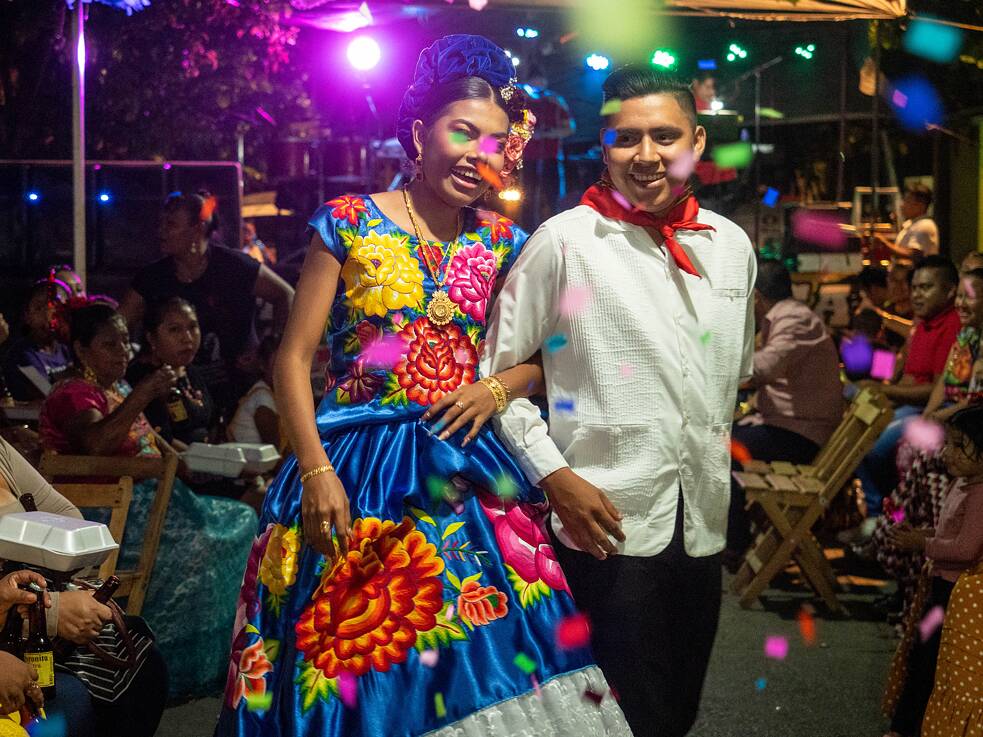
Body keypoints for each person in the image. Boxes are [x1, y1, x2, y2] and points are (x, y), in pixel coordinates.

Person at [216, 35, 629, 737]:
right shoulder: (346, 222)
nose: (478, 153)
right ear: (418, 133)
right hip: (352, 467)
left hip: (465, 466)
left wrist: (496, 388)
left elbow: (554, 354)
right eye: (461, 131)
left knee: (492, 655)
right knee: (354, 666)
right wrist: (313, 468)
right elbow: (292, 359)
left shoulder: (504, 241)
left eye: (495, 141)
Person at [481, 65, 756, 737]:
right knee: (619, 714)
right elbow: (499, 381)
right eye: (626, 137)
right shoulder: (564, 242)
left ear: (695, 141)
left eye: (664, 135)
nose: (647, 154)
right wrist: (555, 475)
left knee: (678, 705)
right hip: (602, 520)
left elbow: (734, 377)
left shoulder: (731, 248)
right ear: (602, 147)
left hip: (700, 520)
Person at [38, 303, 257, 697]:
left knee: (241, 520)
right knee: (218, 540)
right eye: (110, 343)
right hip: (102, 513)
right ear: (82, 350)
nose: (123, 350)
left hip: (152, 503)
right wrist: (141, 395)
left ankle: (201, 666)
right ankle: (162, 663)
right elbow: (96, 444)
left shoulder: (116, 388)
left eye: (125, 340)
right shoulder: (73, 394)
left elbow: (154, 448)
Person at [0, 435, 168, 737]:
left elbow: (69, 523)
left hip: (28, 610)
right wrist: (49, 614)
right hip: (12, 632)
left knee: (143, 662)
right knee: (67, 705)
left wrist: (47, 602)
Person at [117, 191, 294, 414]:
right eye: (161, 223)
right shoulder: (152, 278)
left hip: (236, 392)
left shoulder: (234, 266)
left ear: (198, 228)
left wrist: (267, 351)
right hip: (175, 397)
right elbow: (117, 325)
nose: (161, 231)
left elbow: (285, 295)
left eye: (170, 224)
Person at [871, 268, 983, 618]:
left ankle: (889, 528)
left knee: (898, 449)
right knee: (880, 433)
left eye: (969, 296)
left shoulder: (955, 329)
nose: (913, 293)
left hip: (965, 425)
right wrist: (931, 414)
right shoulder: (959, 336)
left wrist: (934, 418)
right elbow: (938, 385)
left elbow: (972, 402)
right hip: (942, 415)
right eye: (911, 285)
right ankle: (893, 532)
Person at [726, 260, 843, 559]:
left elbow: (763, 368)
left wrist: (718, 364)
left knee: (723, 449)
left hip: (800, 435)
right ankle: (735, 538)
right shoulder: (785, 317)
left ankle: (734, 543)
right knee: (720, 440)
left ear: (756, 295)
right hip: (786, 426)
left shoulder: (794, 319)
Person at [882, 405, 983, 737]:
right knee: (920, 659)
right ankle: (906, 727)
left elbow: (966, 551)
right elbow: (950, 536)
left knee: (929, 665)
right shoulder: (963, 481)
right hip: (939, 586)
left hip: (955, 596)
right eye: (949, 443)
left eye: (959, 446)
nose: (947, 453)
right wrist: (924, 535)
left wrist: (922, 544)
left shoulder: (979, 494)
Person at [854, 256, 962, 512]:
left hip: (915, 404)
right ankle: (876, 512)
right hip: (901, 396)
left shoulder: (950, 324)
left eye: (923, 288)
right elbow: (899, 360)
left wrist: (884, 388)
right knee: (849, 413)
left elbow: (936, 387)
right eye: (913, 287)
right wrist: (878, 381)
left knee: (871, 447)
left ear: (950, 291)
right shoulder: (915, 319)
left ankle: (883, 514)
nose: (913, 293)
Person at [126, 297, 214, 448]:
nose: (187, 338)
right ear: (151, 338)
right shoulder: (144, 379)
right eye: (175, 329)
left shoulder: (191, 371)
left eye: (193, 327)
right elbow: (159, 439)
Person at [1, 281, 73, 401]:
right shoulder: (22, 355)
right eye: (39, 308)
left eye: (56, 307)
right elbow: (46, 392)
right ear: (27, 316)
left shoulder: (66, 349)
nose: (47, 315)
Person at [227, 335, 279, 448]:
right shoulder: (263, 398)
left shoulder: (272, 393)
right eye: (277, 365)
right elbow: (275, 453)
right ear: (262, 366)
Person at [876, 184, 940, 260]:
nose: (902, 205)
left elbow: (913, 254)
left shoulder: (924, 225)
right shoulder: (912, 224)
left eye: (907, 201)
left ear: (920, 206)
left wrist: (884, 244)